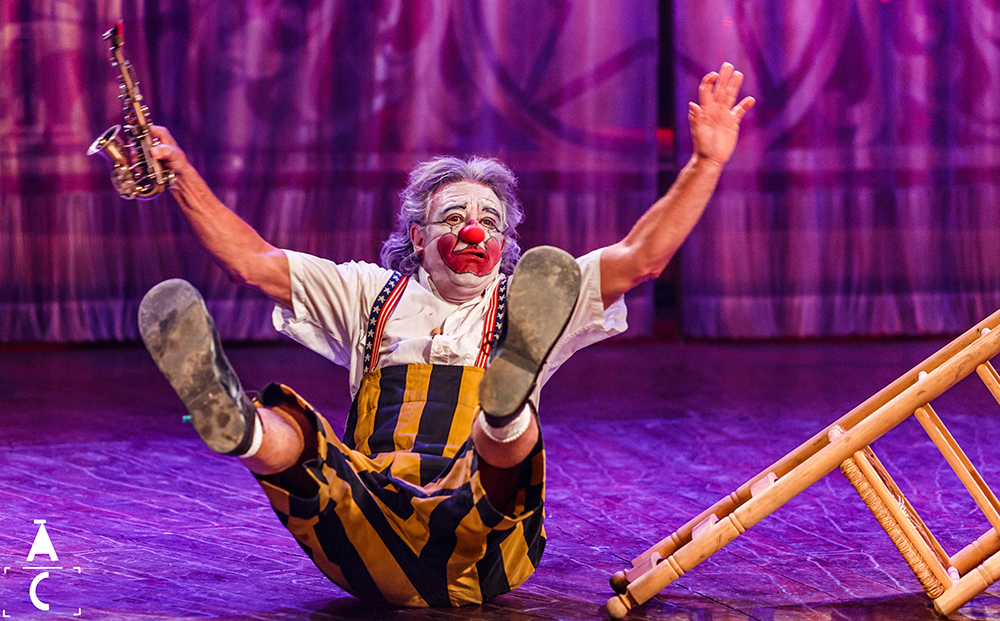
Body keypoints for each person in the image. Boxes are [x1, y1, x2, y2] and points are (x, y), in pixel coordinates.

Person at [138, 63, 754, 607]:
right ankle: (238, 422)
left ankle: (503, 410)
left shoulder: (530, 299)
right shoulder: (366, 292)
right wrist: (181, 174)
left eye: (488, 221)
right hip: (369, 521)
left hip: (482, 544)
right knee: (306, 443)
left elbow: (641, 257)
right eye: (453, 218)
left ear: (505, 244)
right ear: (417, 237)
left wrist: (706, 161)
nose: (472, 231)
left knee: (497, 454)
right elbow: (253, 262)